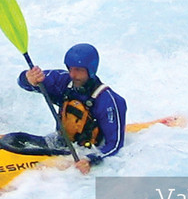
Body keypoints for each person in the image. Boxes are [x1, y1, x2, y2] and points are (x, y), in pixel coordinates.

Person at [18, 43, 126, 174]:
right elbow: (26, 83)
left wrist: (90, 160)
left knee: (40, 174)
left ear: (91, 70)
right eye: (71, 68)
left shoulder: (109, 101)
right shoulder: (63, 81)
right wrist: (28, 79)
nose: (73, 74)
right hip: (60, 143)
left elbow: (115, 146)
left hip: (85, 152)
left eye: (79, 70)